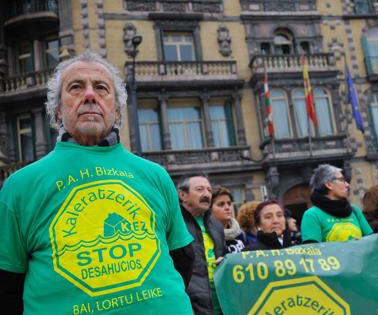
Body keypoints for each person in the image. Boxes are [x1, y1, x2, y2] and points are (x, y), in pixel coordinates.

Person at [0, 52, 194, 314]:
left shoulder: (155, 175)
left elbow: (182, 259)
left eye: (101, 88)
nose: (90, 95)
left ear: (116, 109)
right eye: (76, 87)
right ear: (57, 109)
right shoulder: (19, 186)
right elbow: (7, 288)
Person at [178, 173, 226, 315]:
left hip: (220, 303)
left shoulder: (216, 225)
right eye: (200, 189)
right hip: (190, 307)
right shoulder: (173, 225)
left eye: (209, 190)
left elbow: (223, 254)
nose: (206, 194)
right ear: (183, 195)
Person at [301, 164, 373, 243]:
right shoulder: (312, 215)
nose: (347, 184)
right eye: (341, 180)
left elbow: (371, 242)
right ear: (329, 185)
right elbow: (313, 251)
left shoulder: (354, 210)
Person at [210, 186, 247, 253]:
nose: (227, 207)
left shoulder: (241, 233)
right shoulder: (207, 236)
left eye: (229, 204)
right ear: (209, 209)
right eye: (221, 204)